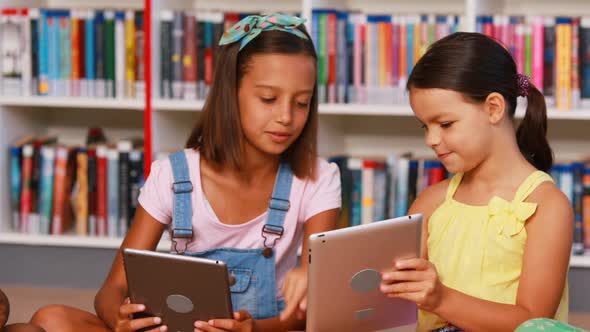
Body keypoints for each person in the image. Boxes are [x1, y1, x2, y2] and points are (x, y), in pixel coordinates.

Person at [31, 13, 340, 332]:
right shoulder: (173, 176)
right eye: (268, 99)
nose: (286, 116)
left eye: (302, 103)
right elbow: (111, 291)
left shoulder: (319, 178)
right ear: (229, 93)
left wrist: (256, 328)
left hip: (265, 329)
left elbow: (309, 311)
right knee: (51, 318)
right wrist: (119, 319)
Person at [379, 32, 573, 331]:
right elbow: (396, 301)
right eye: (425, 126)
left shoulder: (546, 206)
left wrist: (440, 299)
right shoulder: (431, 203)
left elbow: (533, 321)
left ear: (493, 108)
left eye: (445, 124)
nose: (431, 140)